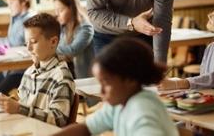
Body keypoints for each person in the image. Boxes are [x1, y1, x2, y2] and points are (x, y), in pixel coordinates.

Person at [51, 37, 179, 136]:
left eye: (105, 83)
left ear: (130, 80)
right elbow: (86, 128)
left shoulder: (142, 111)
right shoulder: (119, 103)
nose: (101, 91)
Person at [0, 13, 75, 127]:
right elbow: (22, 103)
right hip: (26, 129)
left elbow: (59, 120)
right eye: (26, 43)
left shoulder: (61, 77)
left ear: (53, 42)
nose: (28, 48)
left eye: (33, 42)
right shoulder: (30, 72)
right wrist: (5, 102)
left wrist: (18, 108)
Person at [0, 0, 35, 96]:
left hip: (22, 70)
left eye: (11, 2)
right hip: (10, 68)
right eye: (8, 3)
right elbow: (12, 42)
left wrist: (1, 42)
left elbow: (27, 47)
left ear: (23, 2)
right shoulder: (15, 18)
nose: (9, 6)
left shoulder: (30, 21)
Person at [54, 0, 94, 78]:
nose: (57, 14)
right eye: (56, 10)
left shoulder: (86, 28)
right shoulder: (63, 27)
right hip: (67, 73)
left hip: (83, 78)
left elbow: (73, 50)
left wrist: (49, 47)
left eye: (60, 10)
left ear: (72, 8)